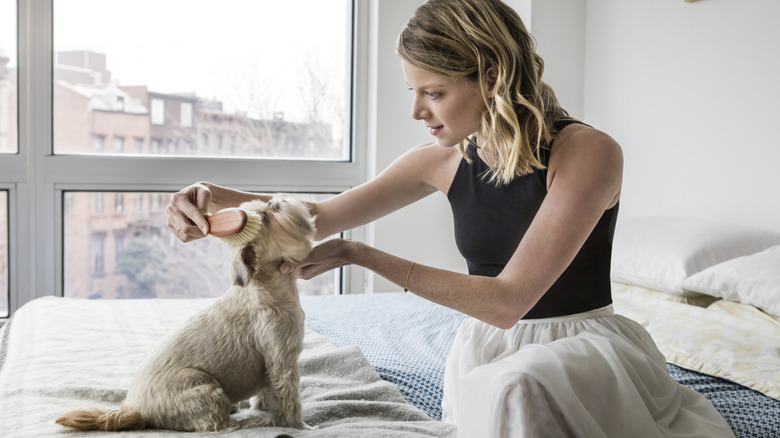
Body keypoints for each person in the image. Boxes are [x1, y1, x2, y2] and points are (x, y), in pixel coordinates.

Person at [167, 0, 733, 436]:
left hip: (576, 347)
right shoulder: (441, 161)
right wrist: (211, 197)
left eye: (433, 93)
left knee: (517, 385)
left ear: (490, 76)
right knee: (509, 379)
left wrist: (358, 253)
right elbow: (315, 216)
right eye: (414, 92)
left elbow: (508, 303)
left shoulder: (586, 152)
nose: (417, 111)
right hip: (486, 351)